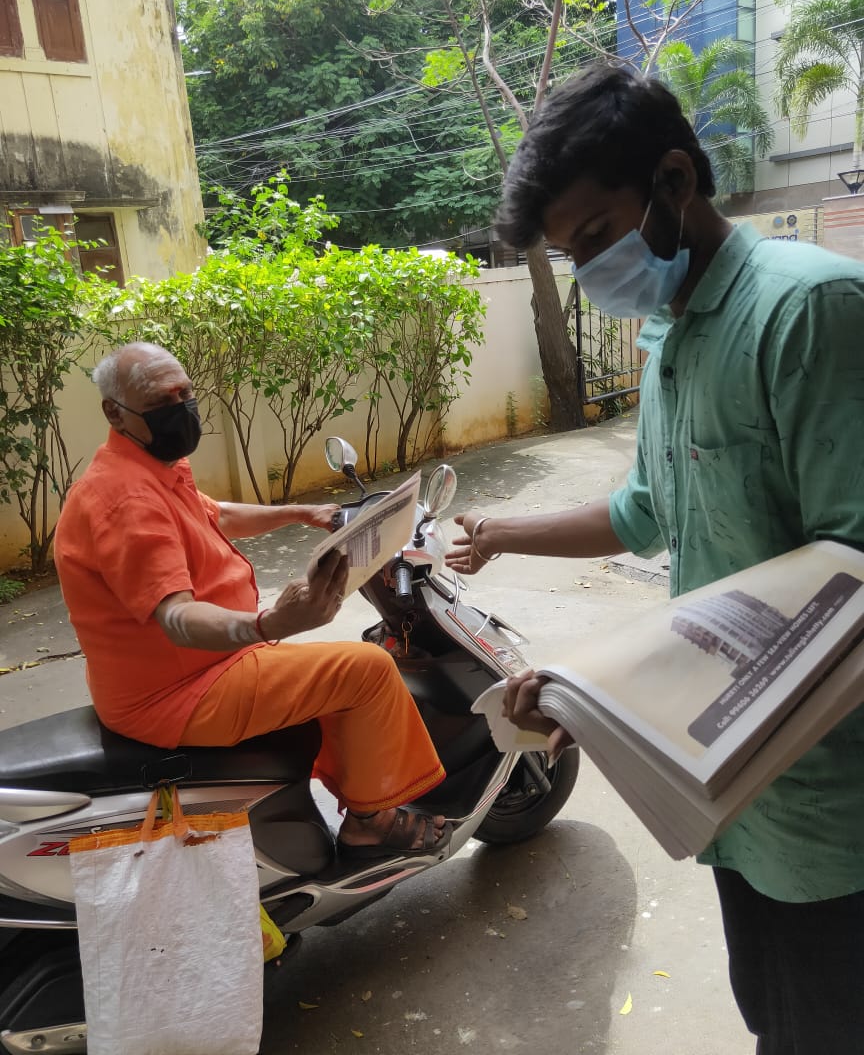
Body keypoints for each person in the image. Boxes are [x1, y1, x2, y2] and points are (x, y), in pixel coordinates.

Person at [446, 62, 864, 1054]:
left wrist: (624, 691)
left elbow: (850, 570)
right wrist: (507, 546)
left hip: (828, 800)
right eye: (571, 254)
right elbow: (647, 510)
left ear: (675, 180)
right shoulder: (672, 337)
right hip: (730, 788)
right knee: (775, 1017)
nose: (592, 271)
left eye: (596, 236)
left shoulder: (809, 311)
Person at [55, 341, 450, 860]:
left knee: (332, 669)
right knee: (367, 668)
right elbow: (176, 617)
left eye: (185, 393)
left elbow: (215, 514)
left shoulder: (146, 465)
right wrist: (268, 624)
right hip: (181, 691)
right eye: (161, 400)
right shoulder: (125, 499)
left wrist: (301, 513)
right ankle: (370, 823)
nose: (182, 408)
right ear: (114, 412)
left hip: (195, 667)